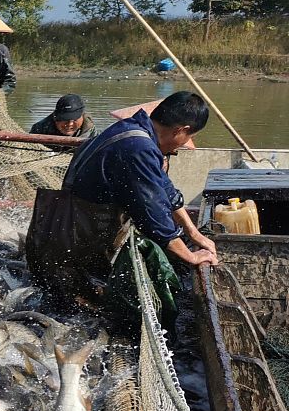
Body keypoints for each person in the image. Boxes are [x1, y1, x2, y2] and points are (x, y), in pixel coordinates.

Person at [25, 91, 218, 332]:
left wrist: (194, 233)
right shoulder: (138, 148)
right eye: (189, 137)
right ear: (181, 130)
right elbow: (153, 215)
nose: (183, 145)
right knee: (78, 317)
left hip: (69, 229)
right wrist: (190, 256)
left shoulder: (136, 129)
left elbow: (163, 189)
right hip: (70, 239)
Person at [30, 94, 96, 141]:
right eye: (65, 119)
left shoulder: (91, 131)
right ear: (56, 117)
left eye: (75, 119)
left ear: (82, 116)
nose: (70, 124)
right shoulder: (39, 129)